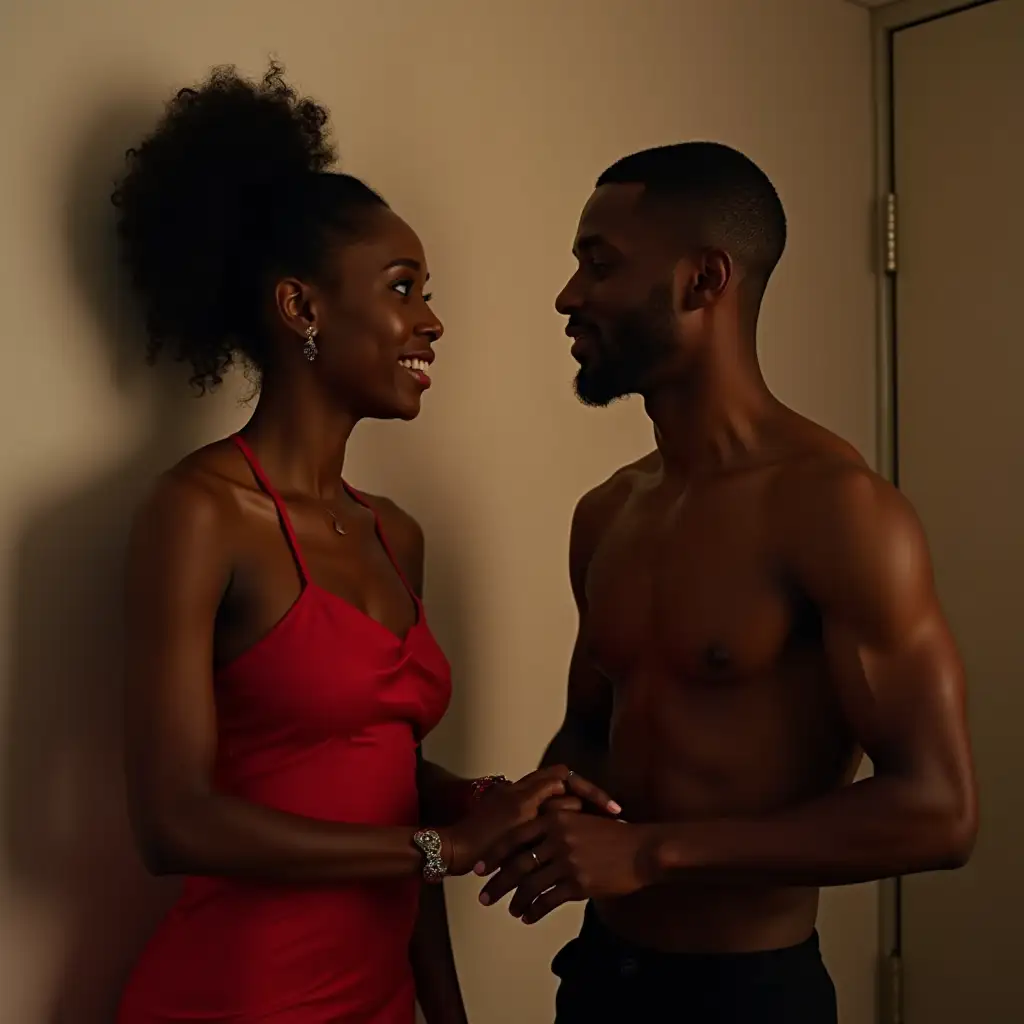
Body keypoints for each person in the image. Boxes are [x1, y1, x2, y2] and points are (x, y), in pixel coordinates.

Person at [111, 64, 615, 1024]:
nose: (430, 320)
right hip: (242, 996)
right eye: (401, 288)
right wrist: (443, 849)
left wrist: (476, 804)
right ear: (300, 308)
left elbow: (377, 778)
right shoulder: (200, 514)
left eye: (426, 291)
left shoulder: (395, 534)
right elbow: (173, 821)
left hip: (379, 995)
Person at [474, 143, 978, 1023]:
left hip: (748, 993)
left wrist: (654, 853)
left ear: (703, 281)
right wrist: (526, 808)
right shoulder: (608, 512)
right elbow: (593, 732)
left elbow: (939, 811)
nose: (568, 296)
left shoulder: (838, 511)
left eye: (599, 265)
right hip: (600, 977)